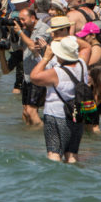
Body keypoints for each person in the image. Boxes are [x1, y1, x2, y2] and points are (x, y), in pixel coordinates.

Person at [29, 35, 89, 164]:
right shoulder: (82, 64)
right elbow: (86, 46)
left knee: (54, 153)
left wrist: (46, 58)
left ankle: (54, 182)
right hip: (78, 115)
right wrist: (69, 38)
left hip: (56, 115)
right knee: (72, 154)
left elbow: (34, 77)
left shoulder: (56, 72)